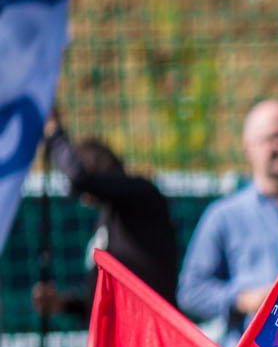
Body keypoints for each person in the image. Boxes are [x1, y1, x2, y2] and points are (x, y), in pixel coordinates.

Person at [178, 99, 278, 347]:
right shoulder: (223, 216)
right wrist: (241, 299)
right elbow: (191, 291)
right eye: (273, 138)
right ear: (249, 146)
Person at [30, 108, 178, 318]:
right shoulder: (108, 217)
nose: (83, 199)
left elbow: (80, 179)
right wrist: (63, 304)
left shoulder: (141, 195)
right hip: (121, 331)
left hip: (148, 327)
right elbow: (105, 302)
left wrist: (54, 132)